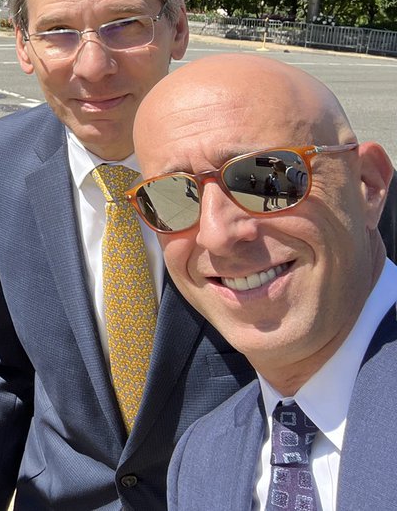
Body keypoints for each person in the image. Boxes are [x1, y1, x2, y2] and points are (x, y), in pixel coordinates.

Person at [0, 0, 255, 511]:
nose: (92, 66)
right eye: (58, 31)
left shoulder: (266, 166)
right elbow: (4, 363)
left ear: (177, 29)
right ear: (23, 46)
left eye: (124, 25)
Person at [126, 54, 395, 510]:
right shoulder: (200, 460)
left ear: (367, 185)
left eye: (266, 179)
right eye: (170, 196)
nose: (217, 234)